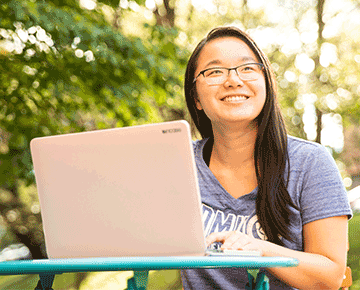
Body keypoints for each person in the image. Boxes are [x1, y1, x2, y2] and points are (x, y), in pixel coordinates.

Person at [180, 26, 353, 290]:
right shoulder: (179, 164)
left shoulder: (309, 163)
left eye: (247, 68)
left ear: (266, 83)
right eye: (215, 71)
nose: (233, 80)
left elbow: (329, 275)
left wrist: (260, 250)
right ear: (196, 98)